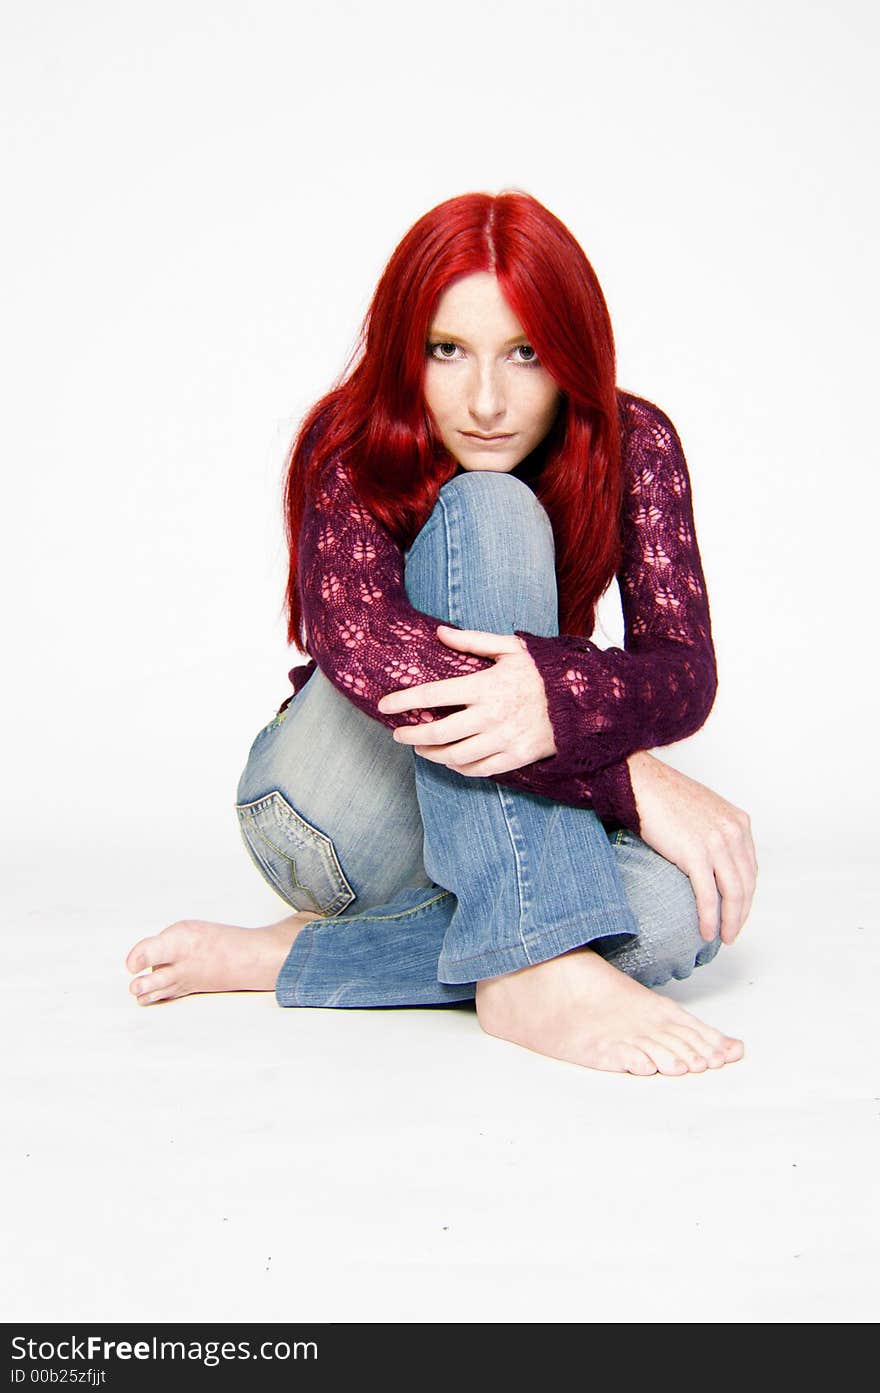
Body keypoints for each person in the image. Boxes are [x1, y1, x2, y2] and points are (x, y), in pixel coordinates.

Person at [125, 190, 757, 1076]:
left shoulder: (634, 441)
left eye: (525, 353)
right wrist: (622, 773)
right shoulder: (346, 443)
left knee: (672, 913)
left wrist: (562, 718)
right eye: (448, 351)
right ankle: (535, 967)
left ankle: (289, 956)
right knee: (492, 509)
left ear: (572, 355)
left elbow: (684, 673)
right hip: (336, 807)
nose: (487, 400)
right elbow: (375, 656)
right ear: (404, 351)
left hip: (491, 827)